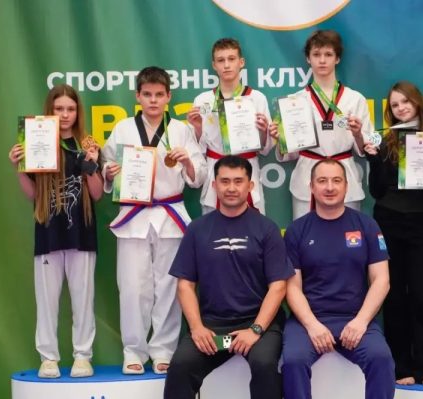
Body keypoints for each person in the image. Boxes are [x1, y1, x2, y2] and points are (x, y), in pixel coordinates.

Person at [163, 155, 294, 399]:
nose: (231, 188)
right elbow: (185, 285)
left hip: (258, 326)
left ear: (250, 186)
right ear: (214, 185)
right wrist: (197, 328)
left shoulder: (266, 228)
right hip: (213, 329)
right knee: (180, 367)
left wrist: (256, 329)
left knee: (264, 365)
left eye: (238, 181)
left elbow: (278, 287)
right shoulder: (198, 229)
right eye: (225, 181)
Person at [281, 159, 395, 399]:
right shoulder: (297, 230)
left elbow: (382, 280)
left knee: (381, 359)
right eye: (322, 181)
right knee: (292, 361)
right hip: (309, 321)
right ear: (311, 187)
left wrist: (360, 322)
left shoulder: (366, 226)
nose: (329, 187)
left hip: (355, 319)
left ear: (347, 186)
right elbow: (291, 287)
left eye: (336, 181)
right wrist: (312, 325)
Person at [101, 66, 206, 375]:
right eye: (147, 94)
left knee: (169, 286)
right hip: (133, 215)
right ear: (138, 96)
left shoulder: (181, 130)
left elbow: (199, 175)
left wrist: (187, 161)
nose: (153, 100)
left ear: (168, 97)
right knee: (132, 286)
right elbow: (107, 162)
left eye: (159, 95)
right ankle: (133, 351)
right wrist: (109, 172)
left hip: (170, 214)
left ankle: (163, 350)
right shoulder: (123, 128)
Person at [8, 84, 103, 378]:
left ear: (78, 112)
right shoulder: (36, 142)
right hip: (48, 232)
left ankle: (82, 356)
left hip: (82, 233)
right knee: (46, 301)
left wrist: (91, 165)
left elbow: (97, 194)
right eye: (59, 108)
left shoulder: (88, 145)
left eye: (70, 109)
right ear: (49, 110)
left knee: (83, 299)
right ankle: (48, 358)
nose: (65, 114)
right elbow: (32, 195)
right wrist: (20, 167)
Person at [365, 81, 423, 386]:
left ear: (417, 102)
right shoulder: (386, 140)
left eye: (405, 102)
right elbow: (376, 191)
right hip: (388, 221)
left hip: (421, 223)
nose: (401, 108)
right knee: (394, 296)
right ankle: (401, 367)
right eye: (395, 105)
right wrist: (374, 159)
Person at [269, 29, 371, 219]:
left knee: (346, 234)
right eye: (316, 54)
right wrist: (281, 140)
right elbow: (289, 154)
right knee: (305, 234)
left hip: (344, 177)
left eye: (328, 54)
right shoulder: (294, 102)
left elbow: (366, 149)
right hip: (306, 179)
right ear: (308, 59)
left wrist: (358, 134)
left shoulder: (355, 99)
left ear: (337, 59)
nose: (322, 60)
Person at [187, 38, 273, 214]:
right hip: (216, 169)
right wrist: (198, 128)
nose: (226, 65)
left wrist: (264, 132)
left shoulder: (257, 98)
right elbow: (198, 151)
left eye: (231, 59)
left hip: (247, 168)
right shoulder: (202, 100)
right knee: (214, 227)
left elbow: (265, 149)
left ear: (241, 62)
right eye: (221, 60)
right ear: (214, 65)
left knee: (252, 227)